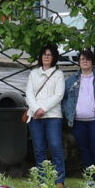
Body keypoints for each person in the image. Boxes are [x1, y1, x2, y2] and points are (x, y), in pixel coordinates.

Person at [61, 50, 95, 179]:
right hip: (78, 122)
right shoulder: (71, 80)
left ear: (92, 62)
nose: (84, 62)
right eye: (82, 59)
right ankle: (90, 180)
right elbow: (64, 98)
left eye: (87, 59)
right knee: (84, 151)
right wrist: (67, 111)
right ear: (79, 62)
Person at [23, 45, 68, 175]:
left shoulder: (58, 74)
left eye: (49, 55)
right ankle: (42, 179)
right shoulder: (33, 73)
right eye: (44, 54)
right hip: (35, 117)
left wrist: (43, 109)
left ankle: (59, 178)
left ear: (54, 57)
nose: (46, 57)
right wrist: (36, 109)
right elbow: (29, 93)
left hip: (53, 116)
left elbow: (59, 95)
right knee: (39, 148)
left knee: (55, 147)